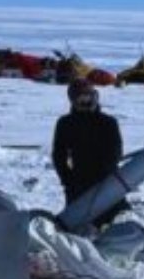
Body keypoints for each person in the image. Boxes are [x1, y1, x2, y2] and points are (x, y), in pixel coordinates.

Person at [52, 78, 126, 228]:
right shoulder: (66, 123)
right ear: (73, 100)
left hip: (107, 181)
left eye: (89, 96)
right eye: (81, 98)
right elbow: (59, 155)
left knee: (114, 224)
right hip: (78, 183)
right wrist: (67, 179)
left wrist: (105, 175)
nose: (86, 101)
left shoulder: (108, 122)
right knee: (77, 225)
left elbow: (115, 151)